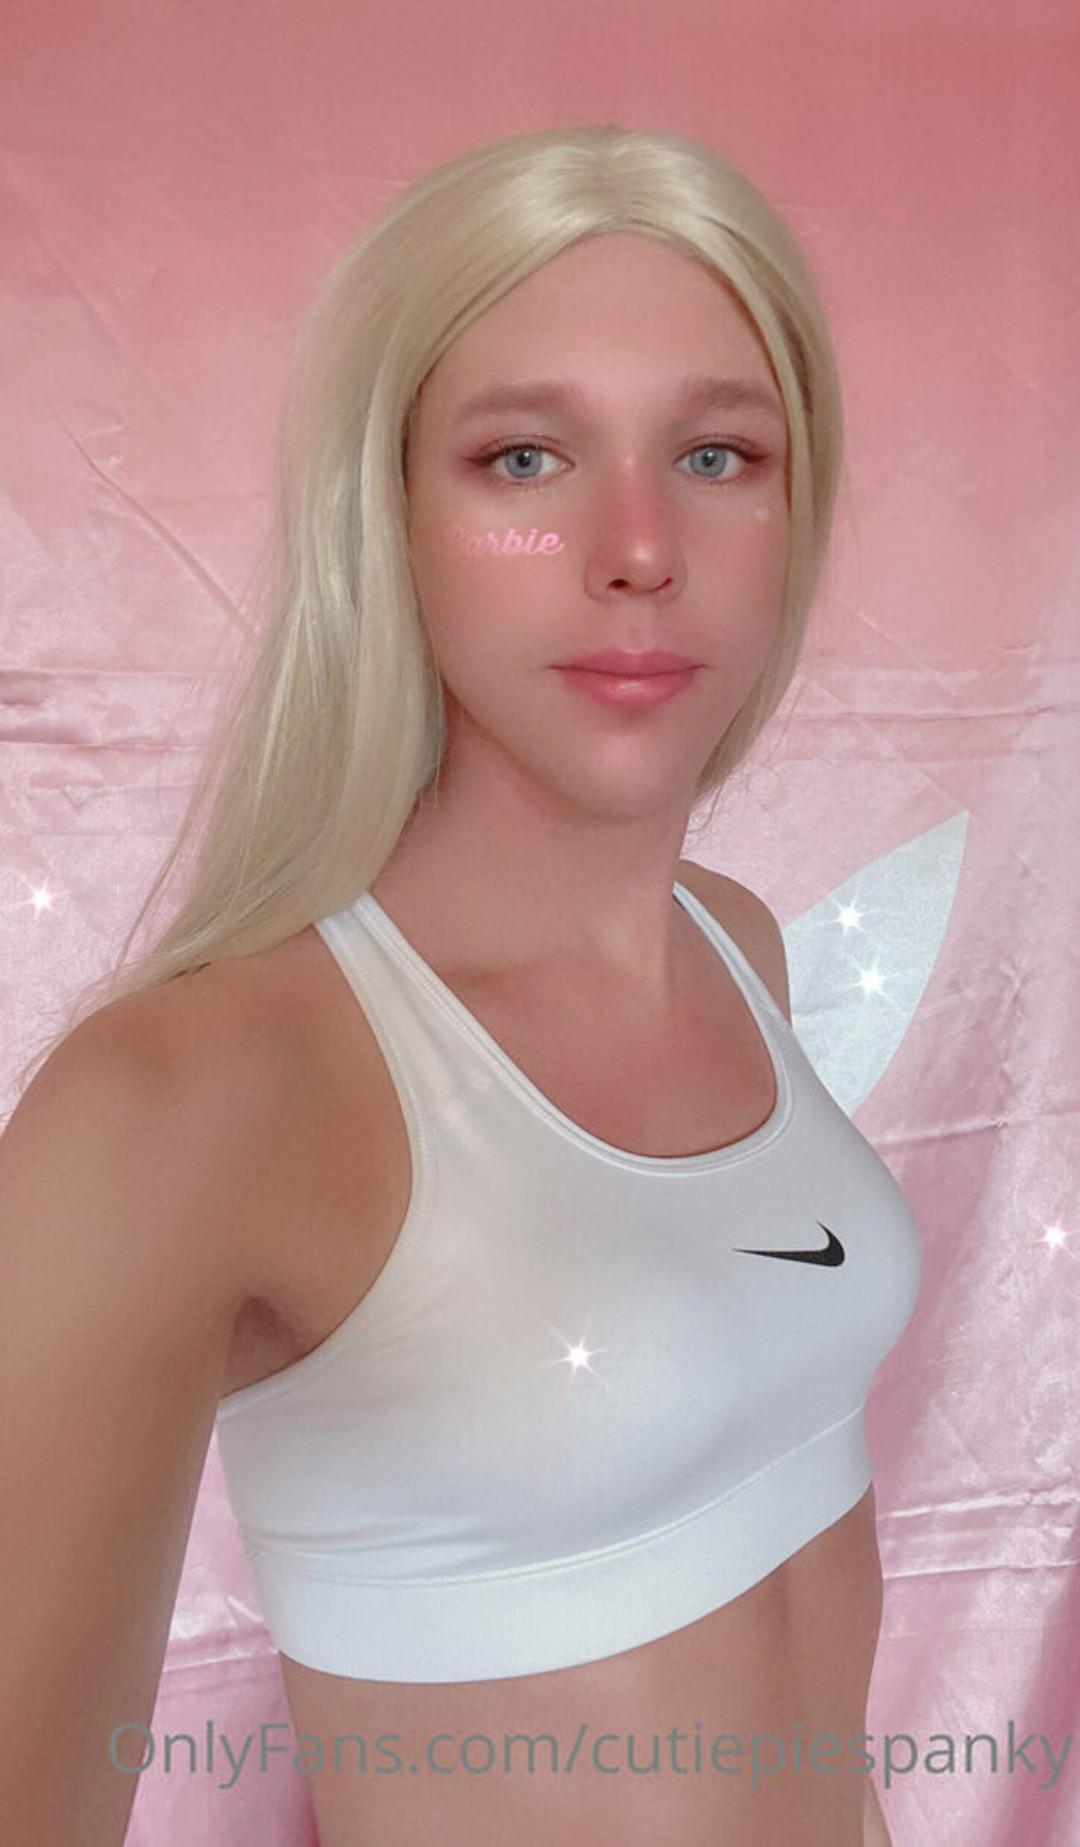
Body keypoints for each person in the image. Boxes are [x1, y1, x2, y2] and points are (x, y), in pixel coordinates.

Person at [0, 124, 918, 1845]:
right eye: (524, 460)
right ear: (388, 510)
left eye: (717, 453)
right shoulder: (190, 1099)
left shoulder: (738, 946)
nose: (638, 547)